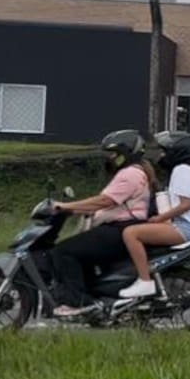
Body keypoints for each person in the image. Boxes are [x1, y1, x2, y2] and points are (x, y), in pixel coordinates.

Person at [50, 130, 155, 317]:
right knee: (81, 251)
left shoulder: (130, 174)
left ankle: (78, 302)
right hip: (118, 228)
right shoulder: (133, 172)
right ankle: (92, 298)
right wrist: (75, 209)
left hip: (120, 230)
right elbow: (107, 203)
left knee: (63, 252)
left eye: (114, 154)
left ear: (126, 152)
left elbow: (105, 201)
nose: (111, 158)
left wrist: (65, 206)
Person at [119, 131, 190, 300]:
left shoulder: (182, 170)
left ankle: (144, 281)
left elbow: (185, 205)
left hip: (186, 228)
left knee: (131, 233)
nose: (161, 155)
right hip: (181, 226)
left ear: (176, 152)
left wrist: (159, 219)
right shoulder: (180, 171)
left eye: (164, 152)